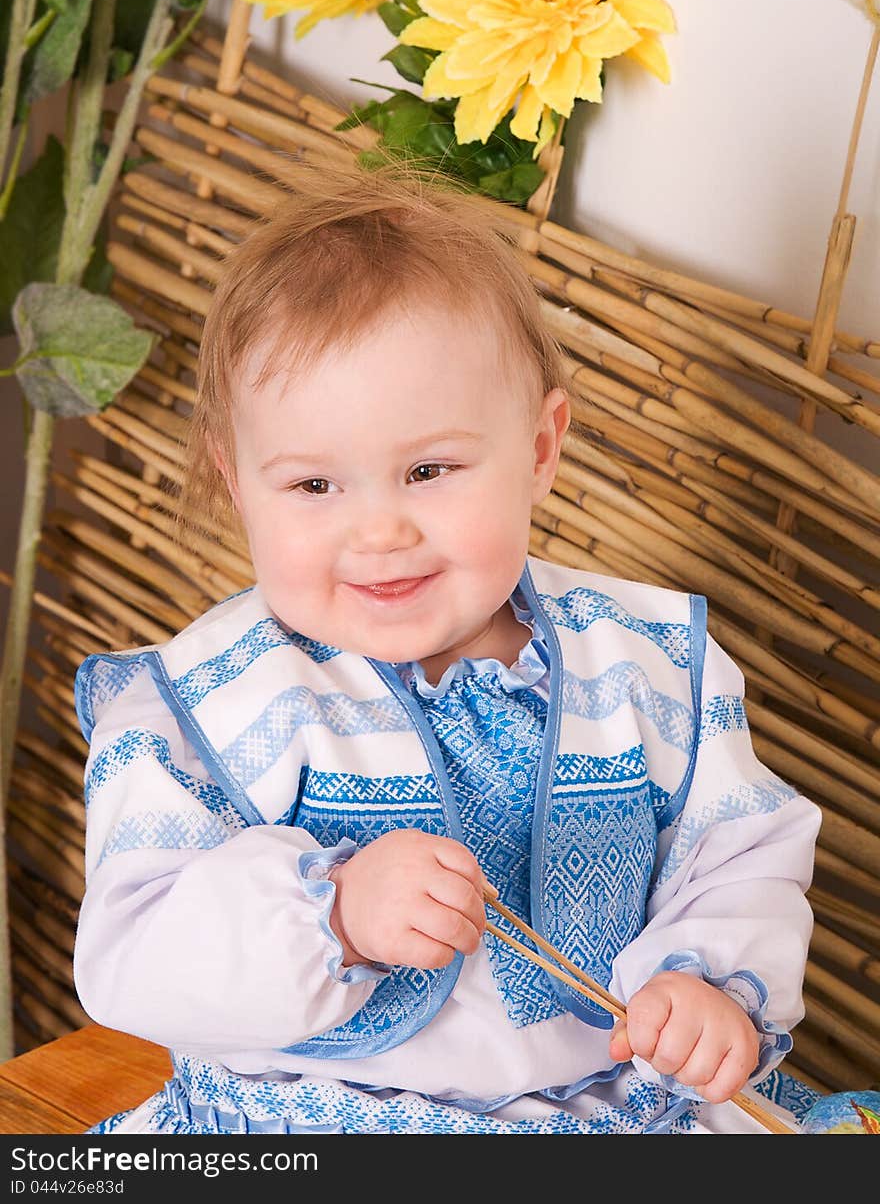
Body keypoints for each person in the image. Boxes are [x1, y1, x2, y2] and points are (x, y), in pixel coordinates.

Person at [73, 162, 822, 1135]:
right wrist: (332, 914)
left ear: (541, 448)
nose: (379, 532)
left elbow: (738, 851)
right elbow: (132, 956)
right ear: (236, 477)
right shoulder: (215, 704)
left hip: (602, 1112)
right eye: (313, 487)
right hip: (299, 1124)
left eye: (427, 469)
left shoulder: (645, 666)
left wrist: (706, 982)